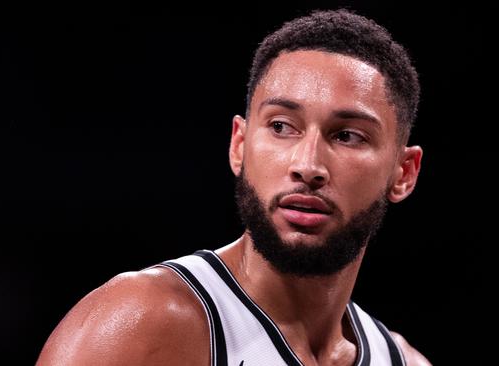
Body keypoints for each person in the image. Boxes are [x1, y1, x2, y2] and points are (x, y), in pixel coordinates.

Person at [37, 9, 431, 366]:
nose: (308, 166)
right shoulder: (138, 327)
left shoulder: (403, 361)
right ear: (239, 145)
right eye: (281, 127)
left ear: (404, 173)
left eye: (347, 135)